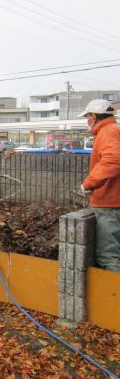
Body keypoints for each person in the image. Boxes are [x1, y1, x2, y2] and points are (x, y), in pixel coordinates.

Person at [79, 99, 120, 272]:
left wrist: (89, 184)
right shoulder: (115, 130)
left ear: (93, 116)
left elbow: (114, 159)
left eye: (87, 116)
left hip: (110, 203)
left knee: (109, 256)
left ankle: (113, 296)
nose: (87, 120)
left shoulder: (108, 132)